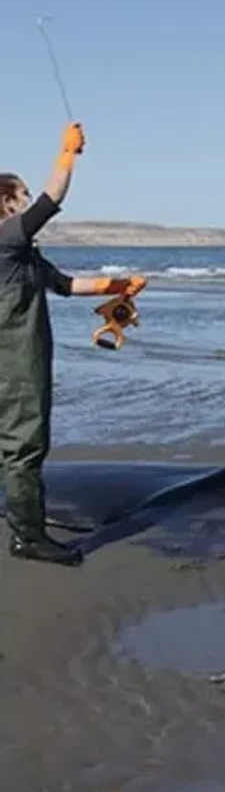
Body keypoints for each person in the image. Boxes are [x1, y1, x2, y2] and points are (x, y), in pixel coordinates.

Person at [1, 123, 148, 566]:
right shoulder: (6, 238)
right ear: (5, 203)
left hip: (22, 359)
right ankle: (27, 537)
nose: (27, 201)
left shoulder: (23, 253)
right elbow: (53, 200)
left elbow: (65, 285)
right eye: (20, 195)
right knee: (24, 445)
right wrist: (68, 156)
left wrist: (119, 285)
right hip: (13, 363)